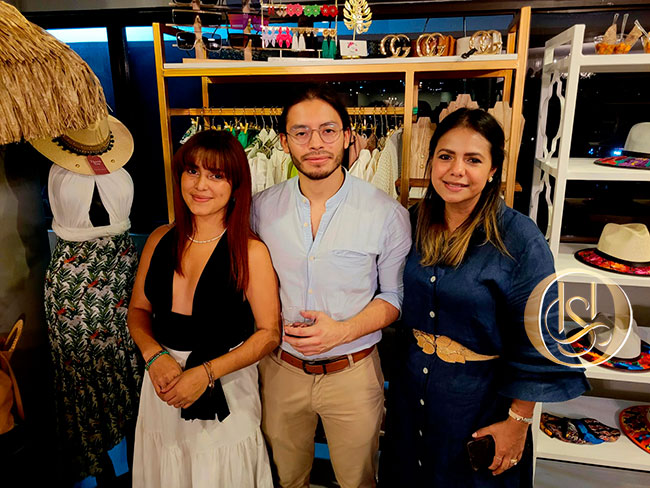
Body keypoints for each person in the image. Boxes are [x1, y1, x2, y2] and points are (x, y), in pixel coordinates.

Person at [379, 108, 589, 487]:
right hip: (410, 403)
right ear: (431, 161)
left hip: (479, 407)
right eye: (446, 156)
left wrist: (518, 422)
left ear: (493, 170)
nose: (456, 170)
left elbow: (540, 339)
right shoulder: (409, 222)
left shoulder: (519, 239)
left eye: (473, 160)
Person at [251, 84, 411, 488]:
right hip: (281, 369)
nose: (315, 143)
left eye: (327, 130)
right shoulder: (260, 209)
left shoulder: (386, 213)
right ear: (284, 141)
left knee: (358, 480)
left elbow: (393, 296)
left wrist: (342, 331)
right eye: (301, 132)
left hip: (352, 373)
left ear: (346, 136)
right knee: (287, 477)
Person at [128, 130, 279, 487]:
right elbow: (138, 310)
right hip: (162, 383)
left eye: (216, 175)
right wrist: (154, 356)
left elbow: (269, 334)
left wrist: (206, 373)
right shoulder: (159, 239)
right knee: (168, 468)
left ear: (235, 185)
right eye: (192, 171)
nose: (200, 185)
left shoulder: (250, 251)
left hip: (226, 386)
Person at [31, 114, 142, 484]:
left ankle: (130, 462)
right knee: (83, 376)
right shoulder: (61, 174)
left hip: (121, 271)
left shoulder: (114, 171)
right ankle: (100, 467)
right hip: (75, 283)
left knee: (127, 366)